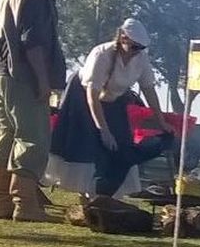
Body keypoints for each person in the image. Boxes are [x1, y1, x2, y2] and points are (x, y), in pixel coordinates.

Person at [0, 0, 70, 221]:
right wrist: (44, 83)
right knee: (32, 137)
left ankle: (1, 201)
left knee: (3, 135)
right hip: (23, 75)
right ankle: (25, 204)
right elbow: (33, 43)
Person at [46, 18, 175, 198]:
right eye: (134, 47)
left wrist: (161, 121)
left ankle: (105, 192)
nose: (137, 52)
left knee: (120, 145)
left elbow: (149, 90)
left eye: (141, 48)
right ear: (123, 38)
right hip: (82, 97)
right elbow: (92, 95)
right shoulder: (101, 54)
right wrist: (103, 130)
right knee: (88, 142)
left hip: (115, 100)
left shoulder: (141, 59)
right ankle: (87, 193)